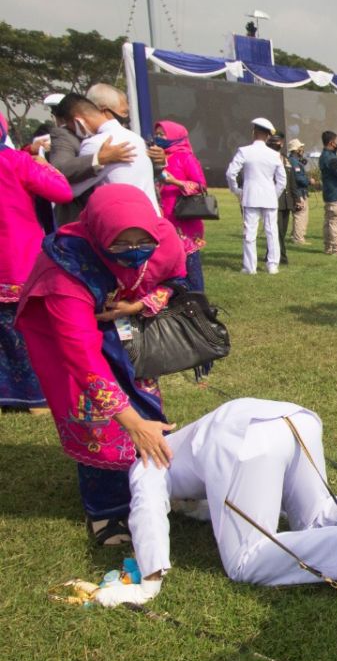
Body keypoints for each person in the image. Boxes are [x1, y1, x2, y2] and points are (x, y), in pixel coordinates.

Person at [89, 398, 337, 606]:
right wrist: (190, 509)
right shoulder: (182, 441)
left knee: (244, 560)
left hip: (245, 441)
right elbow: (209, 499)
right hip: (293, 419)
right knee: (313, 513)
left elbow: (147, 508)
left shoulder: (143, 462)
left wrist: (149, 581)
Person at [17, 185, 187, 546]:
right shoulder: (66, 266)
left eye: (142, 242)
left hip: (124, 327)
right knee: (95, 419)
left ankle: (156, 486)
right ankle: (107, 510)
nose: (134, 252)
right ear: (98, 234)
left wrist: (137, 305)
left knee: (144, 401)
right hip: (66, 332)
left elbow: (174, 279)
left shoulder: (164, 238)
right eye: (120, 246)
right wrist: (131, 424)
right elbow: (80, 355)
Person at [0, 113, 73, 411]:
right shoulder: (16, 163)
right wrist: (44, 166)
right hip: (16, 260)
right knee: (26, 329)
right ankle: (34, 397)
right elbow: (62, 192)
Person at [45, 95, 136, 226]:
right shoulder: (64, 135)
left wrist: (158, 162)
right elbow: (60, 169)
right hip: (79, 217)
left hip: (117, 215)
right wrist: (98, 159)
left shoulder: (120, 133)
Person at [64, 94, 160, 216]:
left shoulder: (95, 143)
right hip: (151, 215)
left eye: (70, 127)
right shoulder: (136, 138)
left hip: (123, 221)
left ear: (78, 121)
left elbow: (72, 191)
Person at [226, 117, 286, 275]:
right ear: (268, 136)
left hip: (251, 196)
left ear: (253, 132)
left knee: (250, 233)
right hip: (269, 198)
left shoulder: (244, 151)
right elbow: (282, 181)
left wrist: (237, 190)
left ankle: (250, 267)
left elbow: (231, 173)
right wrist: (274, 194)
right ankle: (273, 265)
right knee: (272, 232)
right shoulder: (274, 155)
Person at [153, 121, 208, 291]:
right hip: (161, 218)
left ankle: (196, 300)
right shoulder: (155, 158)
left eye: (163, 134)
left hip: (183, 220)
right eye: (158, 134)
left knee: (190, 265)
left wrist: (174, 182)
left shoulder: (185, 157)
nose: (159, 138)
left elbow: (201, 186)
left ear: (175, 136)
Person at [267, 132, 296, 265]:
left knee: (282, 231)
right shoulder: (266, 159)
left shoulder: (286, 159)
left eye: (279, 141)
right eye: (275, 141)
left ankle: (270, 254)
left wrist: (296, 199)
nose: (278, 144)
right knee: (276, 230)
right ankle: (281, 257)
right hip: (274, 199)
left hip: (286, 200)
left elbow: (292, 181)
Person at [287, 139, 312, 244]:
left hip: (300, 191)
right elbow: (298, 178)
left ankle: (296, 235)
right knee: (300, 214)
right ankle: (298, 238)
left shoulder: (295, 161)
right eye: (300, 147)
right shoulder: (294, 162)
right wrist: (309, 181)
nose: (302, 149)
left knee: (301, 214)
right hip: (298, 191)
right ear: (296, 149)